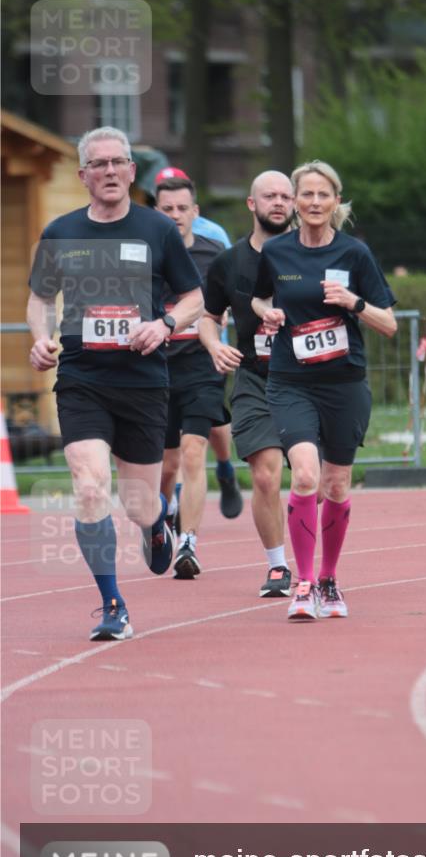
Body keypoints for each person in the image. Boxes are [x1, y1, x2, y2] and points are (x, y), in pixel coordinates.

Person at [27, 126, 203, 640]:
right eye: (98, 164)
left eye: (117, 162)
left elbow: (194, 299)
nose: (109, 171)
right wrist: (40, 339)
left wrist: (164, 324)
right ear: (83, 175)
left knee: (138, 504)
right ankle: (113, 605)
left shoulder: (158, 229)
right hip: (82, 378)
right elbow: (40, 298)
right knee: (89, 488)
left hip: (142, 382)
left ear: (131, 171)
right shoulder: (60, 232)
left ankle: (156, 521)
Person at [251, 160, 397, 621]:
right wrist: (268, 312)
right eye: (307, 194)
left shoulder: (355, 254)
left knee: (336, 483)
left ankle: (330, 580)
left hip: (344, 383)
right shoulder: (276, 251)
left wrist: (354, 303)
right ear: (295, 201)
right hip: (291, 381)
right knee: (305, 476)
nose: (314, 202)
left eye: (323, 195)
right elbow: (259, 296)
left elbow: (389, 323)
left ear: (336, 202)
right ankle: (305, 582)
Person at [199, 170, 295, 598]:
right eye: (269, 196)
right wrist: (214, 346)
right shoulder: (228, 262)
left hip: (311, 380)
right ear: (252, 205)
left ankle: (319, 564)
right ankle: (278, 566)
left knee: (319, 483)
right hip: (256, 378)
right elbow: (208, 317)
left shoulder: (312, 254)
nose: (279, 202)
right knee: (265, 476)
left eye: (285, 196)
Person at [155, 175, 241, 578]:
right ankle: (163, 516)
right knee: (166, 464)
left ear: (195, 212)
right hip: (156, 368)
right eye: (167, 209)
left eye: (181, 208)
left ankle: (188, 543)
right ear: (157, 213)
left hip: (202, 365)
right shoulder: (144, 256)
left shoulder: (214, 252)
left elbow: (239, 296)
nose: (175, 215)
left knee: (193, 451)